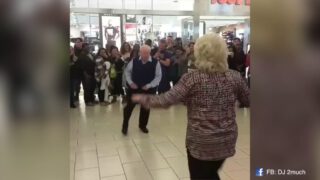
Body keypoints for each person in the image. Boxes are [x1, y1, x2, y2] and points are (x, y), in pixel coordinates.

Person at [132, 34, 249, 180]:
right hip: (225, 140)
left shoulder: (192, 78)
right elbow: (248, 100)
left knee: (201, 176)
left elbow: (167, 100)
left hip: (200, 143)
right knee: (211, 173)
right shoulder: (235, 77)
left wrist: (143, 98)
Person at [122, 45, 162, 135]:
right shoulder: (134, 61)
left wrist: (149, 85)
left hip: (148, 89)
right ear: (140, 52)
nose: (145, 55)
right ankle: (125, 125)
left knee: (145, 109)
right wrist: (130, 82)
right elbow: (127, 72)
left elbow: (158, 76)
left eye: (147, 53)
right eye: (143, 52)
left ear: (149, 53)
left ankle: (142, 125)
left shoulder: (155, 63)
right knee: (129, 108)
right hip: (134, 89)